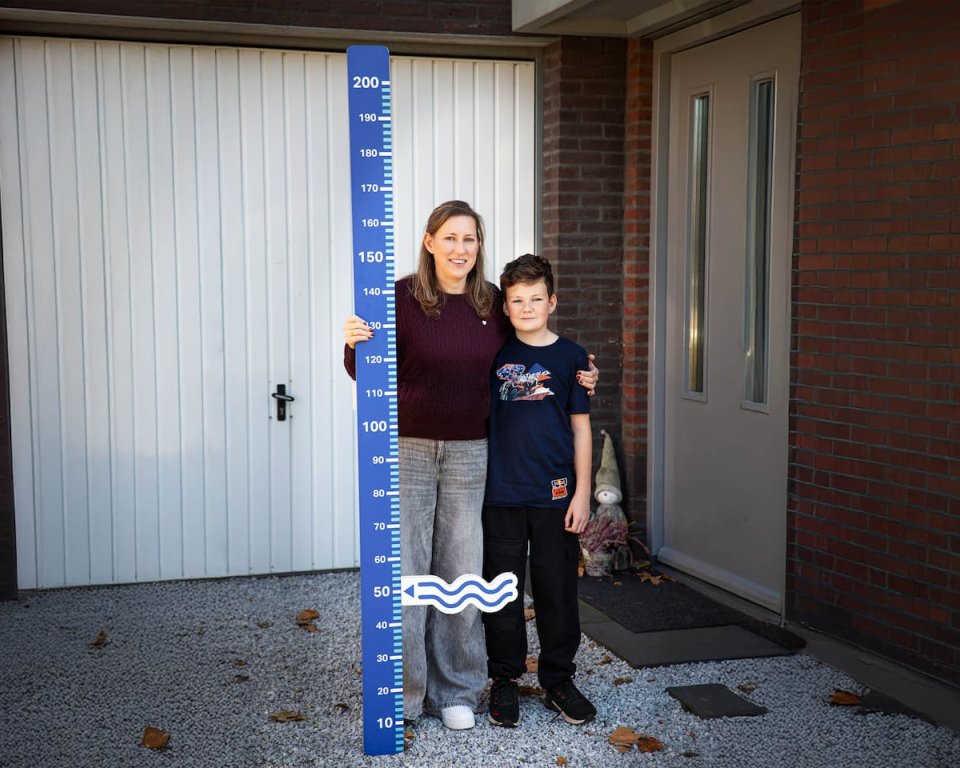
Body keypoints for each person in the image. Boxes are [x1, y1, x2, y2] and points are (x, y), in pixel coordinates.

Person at [343, 201, 598, 731]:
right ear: (430, 241)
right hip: (409, 448)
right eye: (451, 238)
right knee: (410, 571)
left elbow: (537, 350)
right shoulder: (401, 297)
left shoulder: (491, 304)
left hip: (470, 453)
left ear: (479, 246)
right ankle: (407, 693)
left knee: (460, 572)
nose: (461, 248)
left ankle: (458, 687)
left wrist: (583, 374)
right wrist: (352, 342)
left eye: (471, 239)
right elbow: (363, 368)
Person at [482, 253, 596, 728]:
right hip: (501, 494)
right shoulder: (493, 352)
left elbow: (582, 430)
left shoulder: (571, 357)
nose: (526, 307)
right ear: (505, 307)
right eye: (516, 300)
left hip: (555, 494)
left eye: (535, 298)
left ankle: (557, 680)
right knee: (502, 592)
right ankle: (504, 680)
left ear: (552, 301)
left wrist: (583, 491)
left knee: (557, 591)